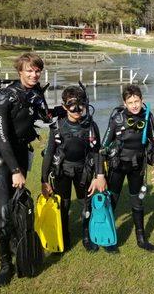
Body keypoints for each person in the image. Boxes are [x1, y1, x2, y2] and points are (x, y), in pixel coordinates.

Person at [0, 53, 50, 287]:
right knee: (3, 212)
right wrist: (14, 169)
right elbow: (2, 139)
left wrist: (70, 110)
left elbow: (46, 117)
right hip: (1, 160)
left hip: (22, 154)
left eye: (37, 71)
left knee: (16, 206)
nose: (34, 75)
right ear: (19, 72)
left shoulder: (35, 94)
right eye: (29, 71)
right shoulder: (5, 97)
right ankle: (5, 265)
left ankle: (16, 243)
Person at [41, 85, 106, 253]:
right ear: (64, 106)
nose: (77, 110)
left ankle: (86, 235)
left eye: (80, 105)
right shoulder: (57, 127)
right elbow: (49, 154)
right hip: (62, 170)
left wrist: (99, 175)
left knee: (86, 203)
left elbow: (97, 152)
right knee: (63, 204)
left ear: (85, 104)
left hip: (84, 170)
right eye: (72, 105)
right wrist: (44, 180)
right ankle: (64, 234)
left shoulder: (91, 126)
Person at [101, 84, 154, 253]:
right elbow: (103, 146)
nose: (135, 105)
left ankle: (141, 239)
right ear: (124, 103)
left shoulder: (147, 117)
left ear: (142, 100)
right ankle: (109, 238)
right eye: (131, 102)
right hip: (118, 166)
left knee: (137, 201)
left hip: (137, 165)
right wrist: (99, 173)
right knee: (112, 201)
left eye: (137, 101)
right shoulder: (117, 119)